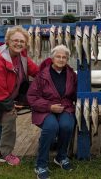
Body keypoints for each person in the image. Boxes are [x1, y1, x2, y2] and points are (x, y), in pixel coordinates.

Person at [27, 45, 77, 179]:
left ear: (67, 59)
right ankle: (41, 164)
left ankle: (61, 157)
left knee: (67, 125)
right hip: (44, 109)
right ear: (52, 58)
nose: (61, 59)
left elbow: (76, 94)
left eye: (64, 57)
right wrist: (49, 107)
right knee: (51, 126)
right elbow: (32, 97)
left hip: (65, 107)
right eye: (58, 56)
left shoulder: (72, 75)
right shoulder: (42, 74)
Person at [0, 26, 39, 165]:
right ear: (7, 41)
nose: (19, 43)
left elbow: (36, 71)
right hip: (0, 97)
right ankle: (5, 154)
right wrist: (9, 105)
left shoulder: (22, 56)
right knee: (9, 117)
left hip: (8, 95)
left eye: (22, 41)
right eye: (15, 40)